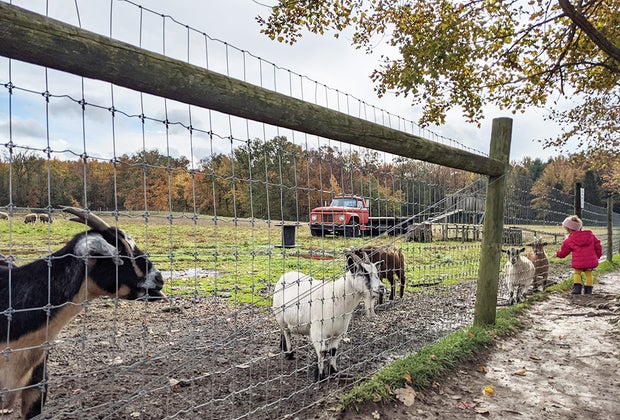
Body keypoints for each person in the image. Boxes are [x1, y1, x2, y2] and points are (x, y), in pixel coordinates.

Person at [556, 215, 602, 294]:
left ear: (569, 229)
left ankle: (577, 289)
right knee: (589, 274)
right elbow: (598, 246)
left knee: (577, 273)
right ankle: (589, 291)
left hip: (578, 263)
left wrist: (558, 254)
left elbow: (564, 252)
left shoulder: (569, 240)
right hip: (590, 261)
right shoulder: (591, 236)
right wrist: (597, 256)